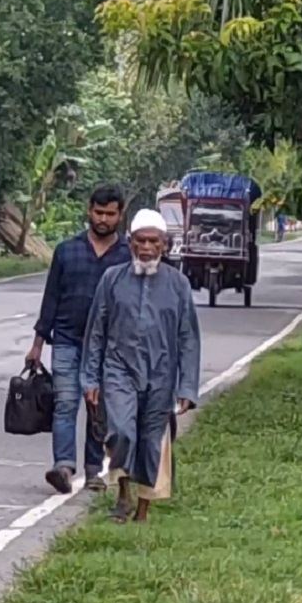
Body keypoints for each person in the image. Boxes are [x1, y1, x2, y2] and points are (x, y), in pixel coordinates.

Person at [81, 209, 201, 523]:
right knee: (120, 431)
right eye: (140, 241)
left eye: (153, 242)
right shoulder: (112, 279)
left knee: (152, 441)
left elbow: (188, 337)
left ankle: (143, 510)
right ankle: (122, 492)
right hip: (119, 369)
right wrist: (90, 379)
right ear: (130, 243)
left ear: (165, 245)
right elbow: (96, 331)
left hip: (162, 374)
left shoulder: (178, 285)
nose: (146, 248)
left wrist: (187, 386)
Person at [27, 185, 132, 494]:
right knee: (65, 403)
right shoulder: (66, 251)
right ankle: (63, 466)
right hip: (66, 341)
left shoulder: (127, 255)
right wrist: (37, 345)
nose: (103, 219)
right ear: (89, 211)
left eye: (109, 214)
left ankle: (93, 471)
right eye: (98, 212)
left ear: (119, 215)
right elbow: (51, 299)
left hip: (109, 348)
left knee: (99, 410)